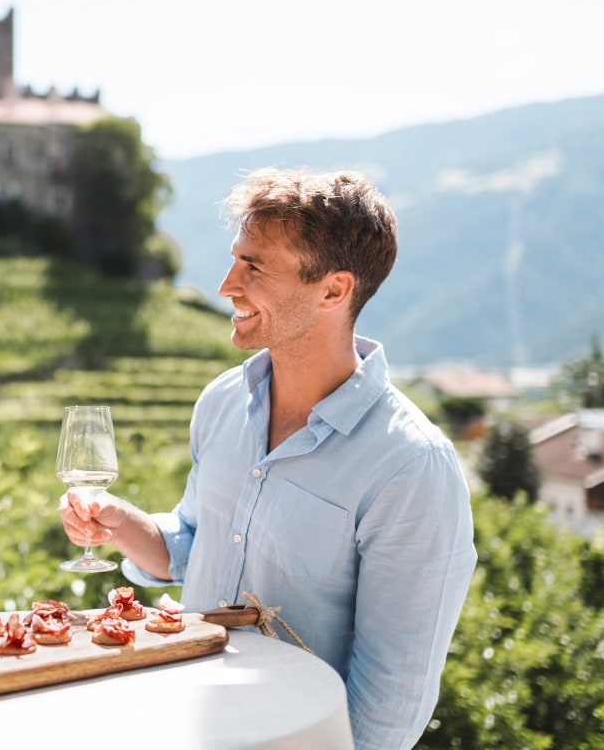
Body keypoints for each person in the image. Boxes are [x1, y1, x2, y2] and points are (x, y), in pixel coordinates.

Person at [61, 167, 477, 750]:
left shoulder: (411, 466)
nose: (228, 285)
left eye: (254, 267)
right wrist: (123, 524)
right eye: (236, 259)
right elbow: (198, 545)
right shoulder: (222, 403)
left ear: (334, 290)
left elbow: (391, 700)